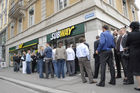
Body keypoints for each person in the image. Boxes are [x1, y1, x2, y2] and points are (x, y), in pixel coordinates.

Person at [126, 21, 140, 91]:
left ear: (132, 27)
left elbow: (127, 44)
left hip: (135, 54)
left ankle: (139, 86)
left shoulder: (130, 34)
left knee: (137, 70)